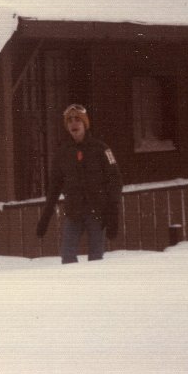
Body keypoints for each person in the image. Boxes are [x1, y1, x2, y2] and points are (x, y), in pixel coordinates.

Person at [36, 104, 122, 264]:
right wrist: (45, 218)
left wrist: (113, 211)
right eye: (69, 120)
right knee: (67, 257)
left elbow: (115, 180)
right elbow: (54, 187)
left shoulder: (102, 149)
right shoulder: (62, 153)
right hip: (73, 213)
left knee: (96, 259)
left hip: (97, 213)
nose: (73, 123)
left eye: (77, 120)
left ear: (85, 123)